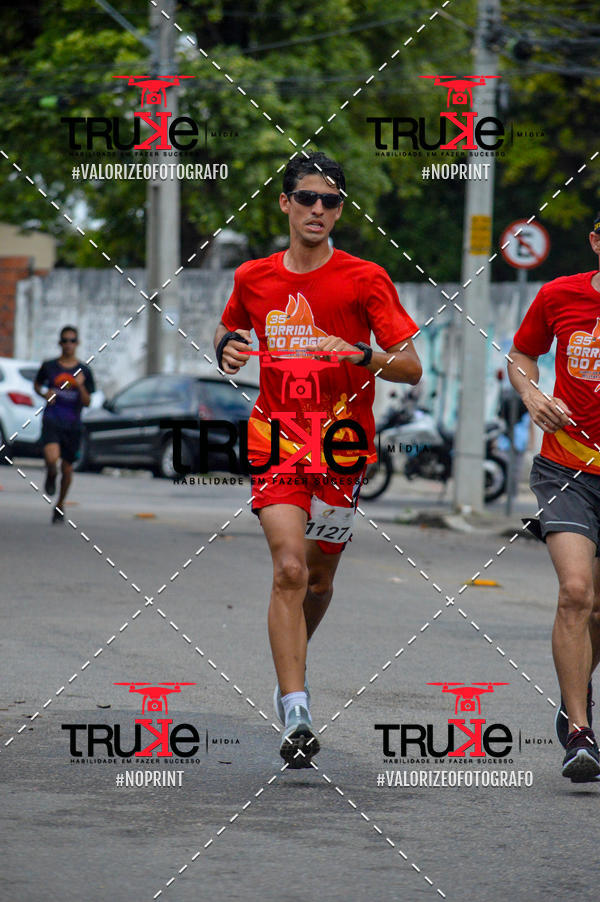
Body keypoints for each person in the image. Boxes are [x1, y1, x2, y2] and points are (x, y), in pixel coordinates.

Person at [213, 152, 422, 767]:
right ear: (285, 203)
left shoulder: (365, 278)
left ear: (340, 211)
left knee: (320, 577)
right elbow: (229, 332)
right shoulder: (253, 277)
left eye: (330, 201)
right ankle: (296, 704)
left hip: (343, 446)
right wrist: (227, 351)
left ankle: (291, 663)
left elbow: (411, 367)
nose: (318, 209)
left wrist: (360, 354)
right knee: (289, 568)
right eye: (307, 197)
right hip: (276, 438)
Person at [508, 214, 600, 782]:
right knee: (576, 591)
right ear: (595, 241)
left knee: (598, 608)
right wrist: (532, 394)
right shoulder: (559, 295)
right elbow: (521, 356)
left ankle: (576, 687)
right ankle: (579, 731)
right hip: (566, 467)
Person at [34, 326, 95, 524]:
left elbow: (87, 402)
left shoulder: (84, 371)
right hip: (52, 419)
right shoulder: (49, 366)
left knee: (67, 469)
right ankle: (51, 474)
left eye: (72, 340)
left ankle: (60, 504)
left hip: (73, 425)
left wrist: (80, 385)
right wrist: (45, 393)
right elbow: (37, 384)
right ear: (60, 343)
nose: (69, 344)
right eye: (65, 340)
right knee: (52, 459)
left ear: (77, 343)